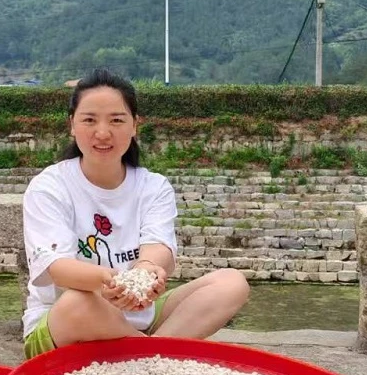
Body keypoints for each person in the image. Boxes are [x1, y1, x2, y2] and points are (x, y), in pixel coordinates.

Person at [21, 68, 250, 358]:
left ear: (134, 125)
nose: (102, 133)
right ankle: (156, 355)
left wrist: (147, 272)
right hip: (66, 323)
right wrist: (113, 282)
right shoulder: (49, 187)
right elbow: (58, 269)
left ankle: (147, 354)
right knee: (78, 302)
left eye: (117, 120)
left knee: (231, 283)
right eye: (89, 120)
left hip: (140, 319)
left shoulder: (153, 186)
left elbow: (157, 247)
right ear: (72, 125)